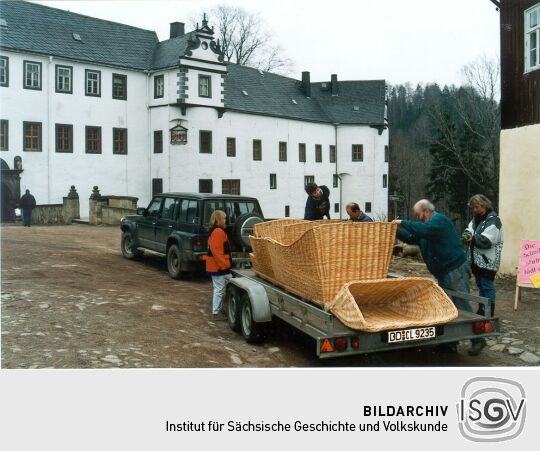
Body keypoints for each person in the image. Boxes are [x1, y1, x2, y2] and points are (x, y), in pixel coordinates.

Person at [393, 199, 474, 353]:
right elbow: (413, 238)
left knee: (461, 303)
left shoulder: (439, 221)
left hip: (455, 268)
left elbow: (422, 230)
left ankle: (477, 339)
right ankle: (450, 343)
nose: (418, 218)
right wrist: (394, 230)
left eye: (419, 215)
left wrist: (402, 222)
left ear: (426, 211)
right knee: (448, 306)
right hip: (445, 271)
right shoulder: (428, 227)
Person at [463, 194, 504, 356]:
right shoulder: (477, 218)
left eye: (477, 207)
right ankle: (483, 309)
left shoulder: (494, 220)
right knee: (481, 285)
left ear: (484, 205)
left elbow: (488, 241)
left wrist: (472, 238)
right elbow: (469, 229)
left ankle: (488, 313)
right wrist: (467, 234)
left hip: (488, 261)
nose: (475, 210)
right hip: (477, 260)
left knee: (487, 286)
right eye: (473, 207)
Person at [202, 210, 232, 320]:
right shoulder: (218, 231)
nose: (226, 220)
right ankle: (216, 312)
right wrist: (224, 265)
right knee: (219, 289)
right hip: (218, 266)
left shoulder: (215, 231)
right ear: (219, 219)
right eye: (224, 218)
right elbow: (217, 251)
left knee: (219, 288)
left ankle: (218, 310)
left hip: (216, 265)